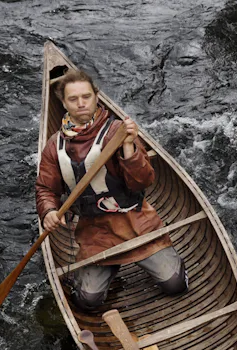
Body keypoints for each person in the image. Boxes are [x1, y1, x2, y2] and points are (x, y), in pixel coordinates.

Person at [35, 69, 188, 313]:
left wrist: (129, 147)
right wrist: (49, 211)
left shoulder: (118, 132)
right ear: (63, 103)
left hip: (136, 222)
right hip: (95, 232)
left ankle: (163, 258)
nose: (81, 103)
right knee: (88, 301)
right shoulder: (54, 146)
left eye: (86, 96)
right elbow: (45, 188)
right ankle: (99, 273)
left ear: (96, 97)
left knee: (175, 284)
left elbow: (143, 181)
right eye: (73, 99)